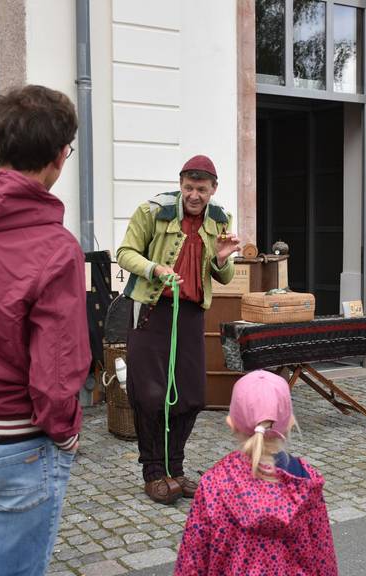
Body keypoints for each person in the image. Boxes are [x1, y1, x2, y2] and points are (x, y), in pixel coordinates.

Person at [0, 85, 91, 576]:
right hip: (15, 447)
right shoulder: (55, 249)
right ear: (60, 158)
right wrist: (67, 431)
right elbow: (56, 372)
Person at [116, 155, 240, 504]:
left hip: (189, 314)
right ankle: (154, 472)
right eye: (188, 188)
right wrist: (154, 268)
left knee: (192, 395)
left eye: (201, 189)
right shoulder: (152, 211)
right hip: (151, 310)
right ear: (180, 185)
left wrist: (221, 257)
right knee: (151, 395)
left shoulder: (219, 219)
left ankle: (176, 469)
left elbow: (224, 276)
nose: (194, 195)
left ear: (213, 189)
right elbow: (125, 253)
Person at [174, 370, 338, 575]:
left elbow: (193, 559)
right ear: (289, 423)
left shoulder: (214, 484)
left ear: (231, 423)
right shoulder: (305, 481)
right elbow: (323, 557)